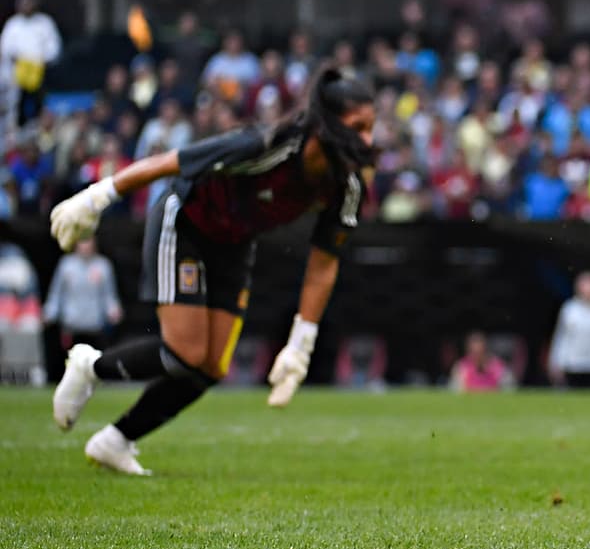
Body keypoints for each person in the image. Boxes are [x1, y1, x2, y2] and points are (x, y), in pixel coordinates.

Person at [48, 64, 375, 475]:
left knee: (211, 366)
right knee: (186, 352)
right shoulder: (264, 145)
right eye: (359, 127)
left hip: (234, 244)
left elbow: (324, 262)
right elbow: (171, 162)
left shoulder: (347, 185)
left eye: (371, 128)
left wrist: (300, 344)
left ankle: (116, 440)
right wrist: (97, 198)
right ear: (327, 126)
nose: (369, 140)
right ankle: (89, 366)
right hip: (185, 222)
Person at [43, 237, 123, 351]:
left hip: (94, 327)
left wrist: (113, 309)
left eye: (88, 241)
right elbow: (56, 295)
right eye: (82, 241)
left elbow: (109, 295)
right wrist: (49, 313)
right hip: (72, 326)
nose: (86, 246)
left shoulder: (103, 266)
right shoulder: (66, 265)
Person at [0, 0, 62, 132]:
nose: (26, 6)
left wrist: (41, 60)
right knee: (15, 106)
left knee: (39, 104)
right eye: (23, 3)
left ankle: (40, 129)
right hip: (17, 76)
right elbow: (5, 49)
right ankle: (17, 130)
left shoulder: (45, 23)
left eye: (29, 2)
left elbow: (54, 48)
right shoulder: (13, 24)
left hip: (39, 73)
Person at [449, 330, 515, 392]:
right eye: (474, 352)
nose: (477, 354)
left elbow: (509, 390)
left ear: (485, 348)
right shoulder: (461, 367)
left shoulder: (499, 366)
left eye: (480, 350)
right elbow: (456, 391)